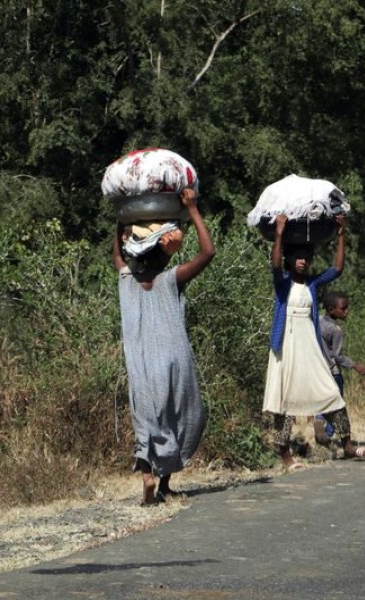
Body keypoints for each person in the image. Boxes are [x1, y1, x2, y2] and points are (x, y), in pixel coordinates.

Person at [112, 187, 216, 505]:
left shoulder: (125, 278)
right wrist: (193, 209)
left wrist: (122, 216)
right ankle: (164, 484)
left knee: (147, 420)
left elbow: (117, 252)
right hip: (174, 359)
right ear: (164, 252)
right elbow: (208, 252)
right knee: (180, 415)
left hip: (140, 364)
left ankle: (148, 475)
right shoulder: (173, 278)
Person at [262, 214, 365, 470]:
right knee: (284, 400)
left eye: (306, 258)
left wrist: (341, 235)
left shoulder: (312, 284)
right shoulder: (282, 284)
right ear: (291, 260)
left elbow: (337, 269)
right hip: (286, 347)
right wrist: (279, 233)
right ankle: (286, 456)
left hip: (309, 346)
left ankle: (347, 445)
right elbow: (275, 264)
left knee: (331, 391)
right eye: (298, 257)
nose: (302, 261)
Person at [313, 291, 365, 447]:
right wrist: (355, 365)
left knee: (322, 401)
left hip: (318, 371)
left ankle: (318, 419)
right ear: (332, 310)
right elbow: (337, 356)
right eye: (343, 308)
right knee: (337, 404)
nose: (346, 311)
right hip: (333, 372)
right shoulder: (335, 330)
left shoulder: (317, 322)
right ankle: (329, 437)